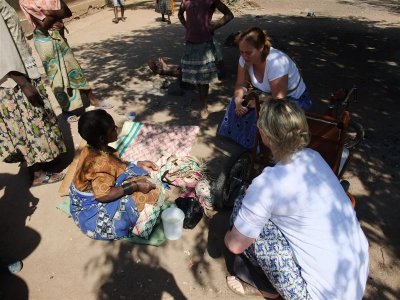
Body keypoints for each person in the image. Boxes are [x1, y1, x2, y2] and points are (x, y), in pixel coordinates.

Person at [224, 99, 369, 299]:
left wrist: (229, 234)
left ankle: (265, 286)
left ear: (264, 135)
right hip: (353, 283)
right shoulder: (314, 157)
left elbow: (235, 245)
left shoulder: (267, 183)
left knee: (242, 207)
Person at [0, 0, 66, 187]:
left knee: (37, 120)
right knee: (27, 126)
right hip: (14, 79)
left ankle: (46, 159)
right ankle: (37, 173)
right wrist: (23, 83)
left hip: (19, 73)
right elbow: (2, 48)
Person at [69, 110, 160, 240]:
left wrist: (137, 163)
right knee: (147, 195)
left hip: (97, 189)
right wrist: (135, 186)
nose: (116, 129)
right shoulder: (99, 162)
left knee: (139, 173)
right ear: (102, 138)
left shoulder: (93, 148)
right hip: (91, 207)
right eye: (113, 128)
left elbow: (117, 164)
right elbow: (103, 195)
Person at [219, 27, 312, 149]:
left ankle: (260, 150)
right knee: (236, 103)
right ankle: (243, 141)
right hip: (268, 93)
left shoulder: (276, 63)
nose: (244, 56)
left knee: (265, 114)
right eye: (241, 52)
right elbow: (240, 84)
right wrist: (238, 99)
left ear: (261, 48)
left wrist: (259, 102)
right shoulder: (244, 59)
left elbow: (279, 100)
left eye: (248, 52)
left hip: (291, 98)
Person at [19, 0, 111, 119]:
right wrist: (56, 14)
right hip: (44, 41)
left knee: (74, 68)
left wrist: (47, 12)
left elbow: (67, 11)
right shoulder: (26, 2)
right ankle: (67, 109)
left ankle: (93, 100)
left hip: (59, 35)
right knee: (55, 75)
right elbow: (44, 24)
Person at [178, 0, 233, 119]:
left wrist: (213, 26)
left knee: (204, 77)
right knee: (197, 76)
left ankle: (203, 106)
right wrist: (187, 26)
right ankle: (202, 103)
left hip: (205, 43)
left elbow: (229, 14)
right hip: (191, 43)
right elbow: (180, 14)